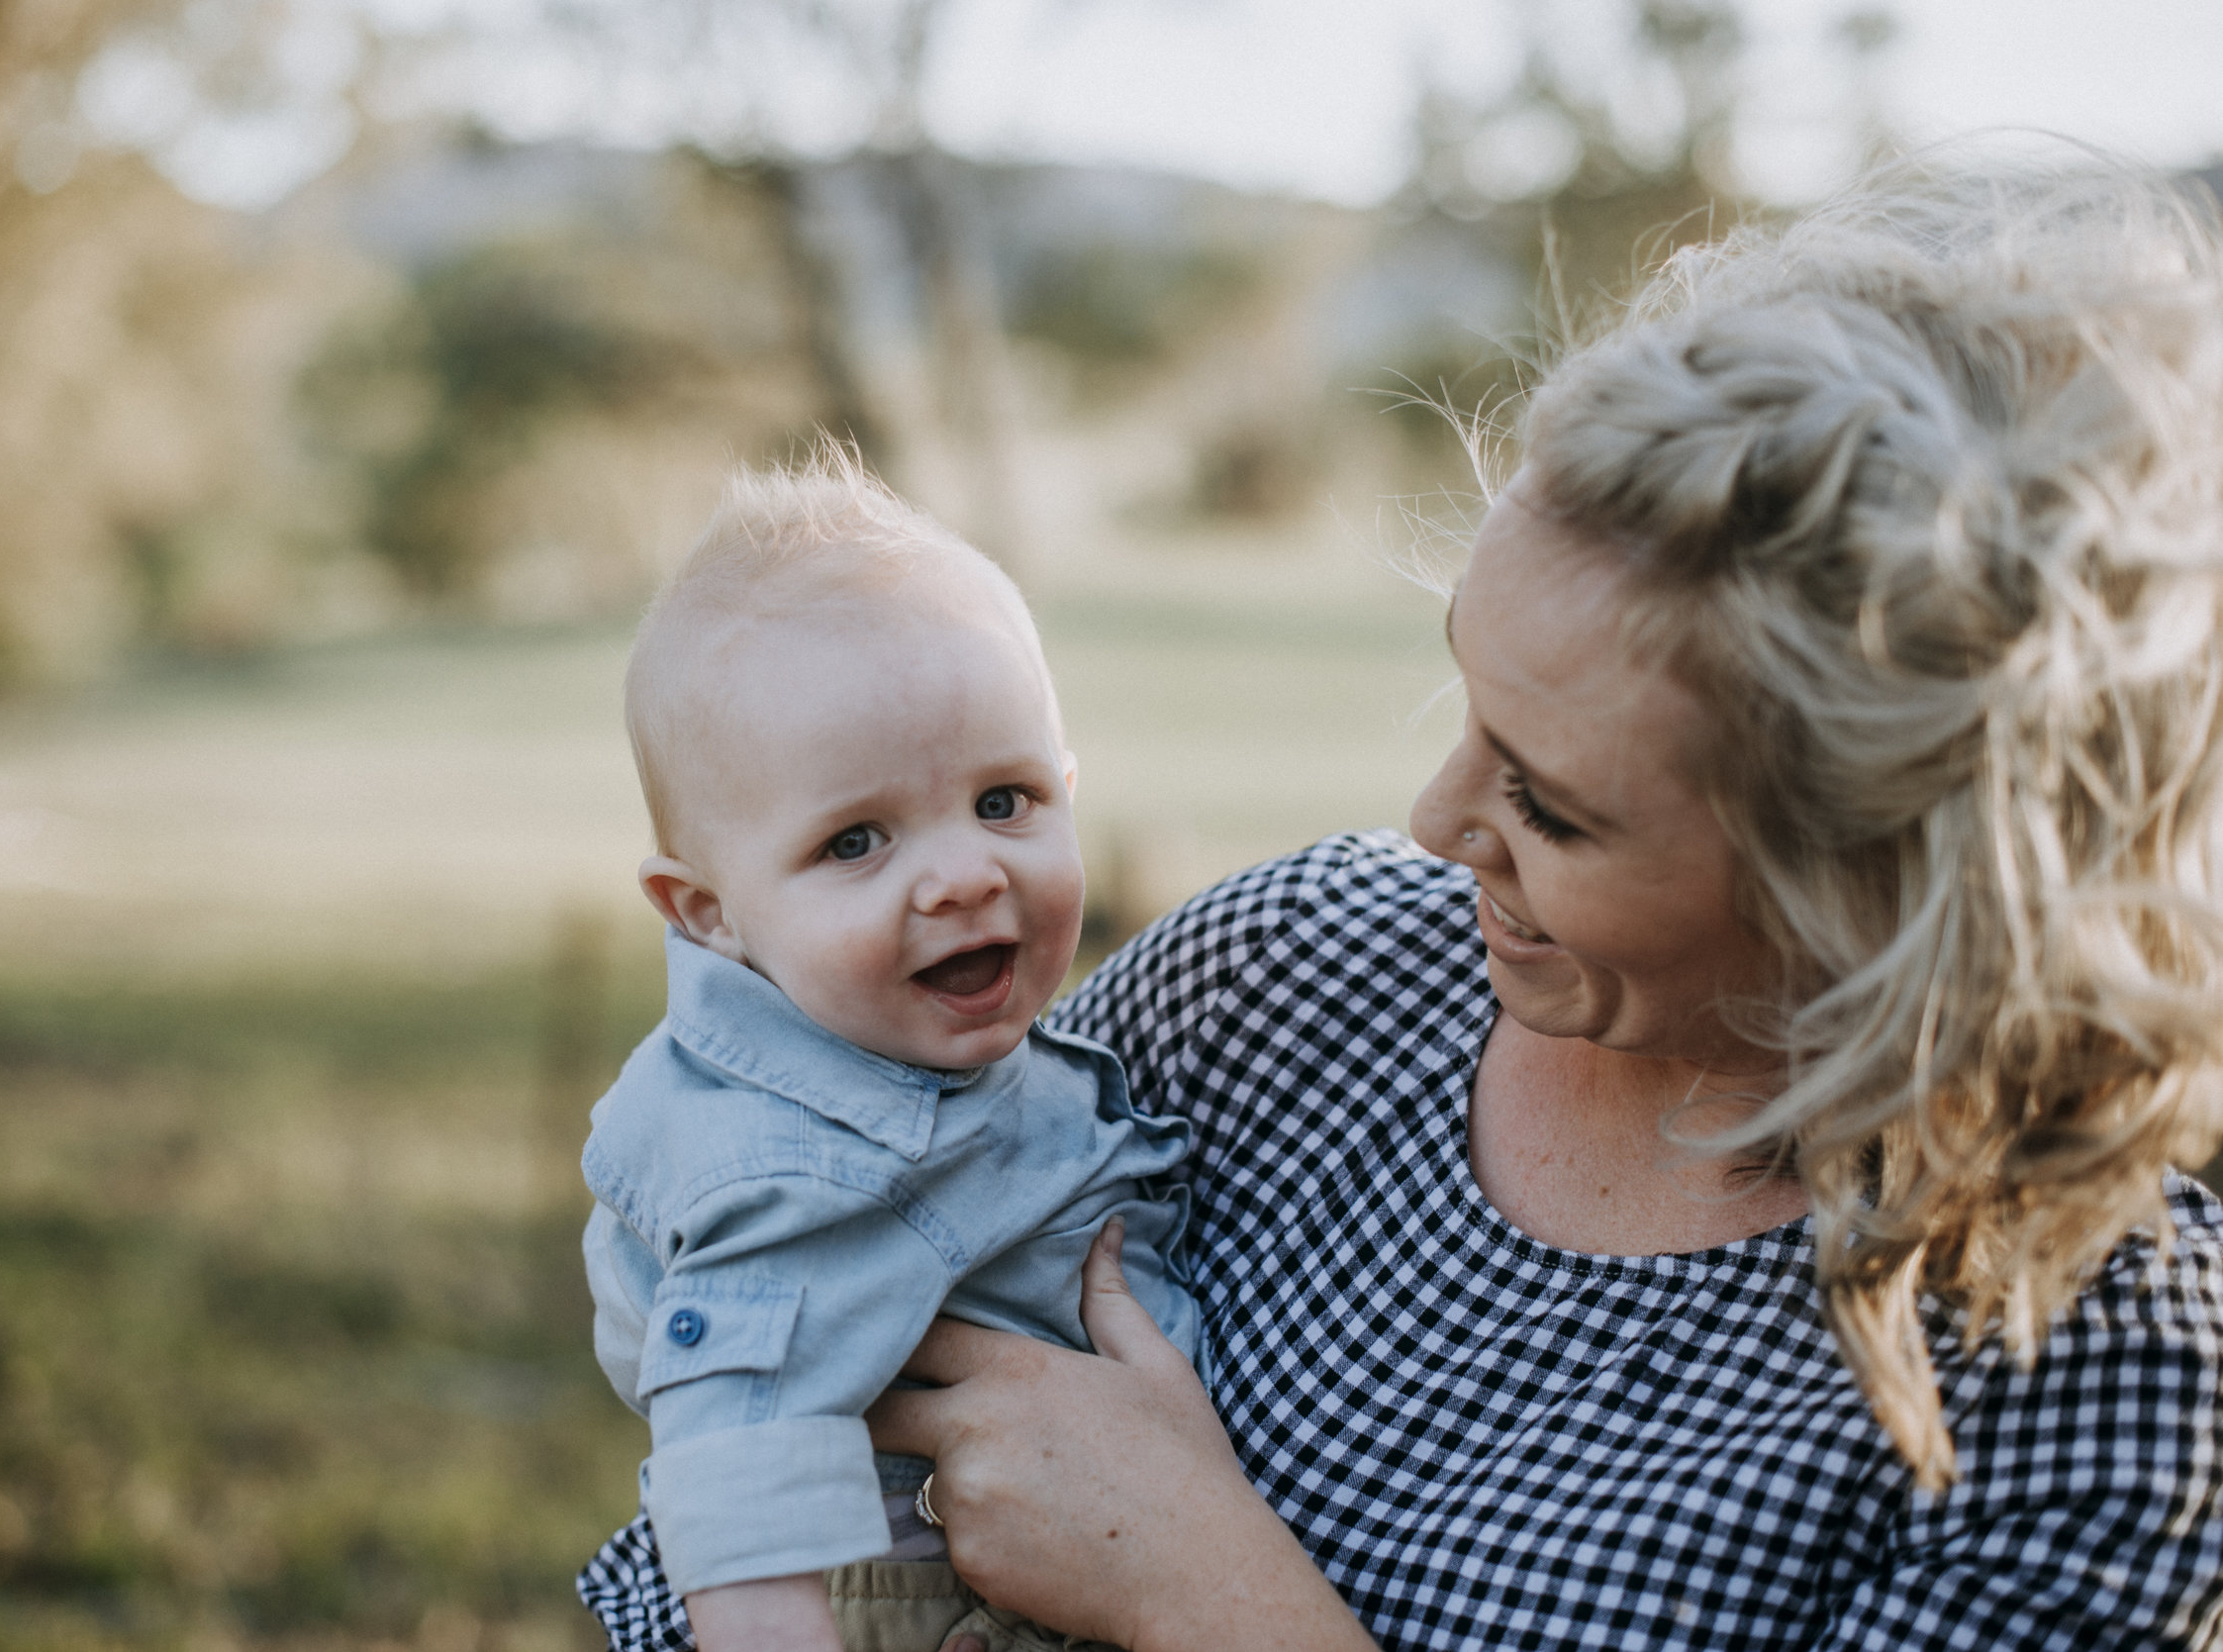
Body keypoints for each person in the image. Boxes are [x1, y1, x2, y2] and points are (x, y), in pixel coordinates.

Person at [579, 160, 2223, 1650]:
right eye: (1467, 709)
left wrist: (1207, 1593)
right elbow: (749, 1437)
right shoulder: (1291, 975)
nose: (1436, 824)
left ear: (1890, 882)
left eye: (1551, 803)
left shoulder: (2099, 1378)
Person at [579, 455, 1205, 1652]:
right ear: (705, 909)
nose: (966, 872)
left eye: (1006, 800)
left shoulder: (884, 1049)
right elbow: (741, 1496)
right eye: (856, 840)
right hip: (926, 1599)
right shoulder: (791, 1174)